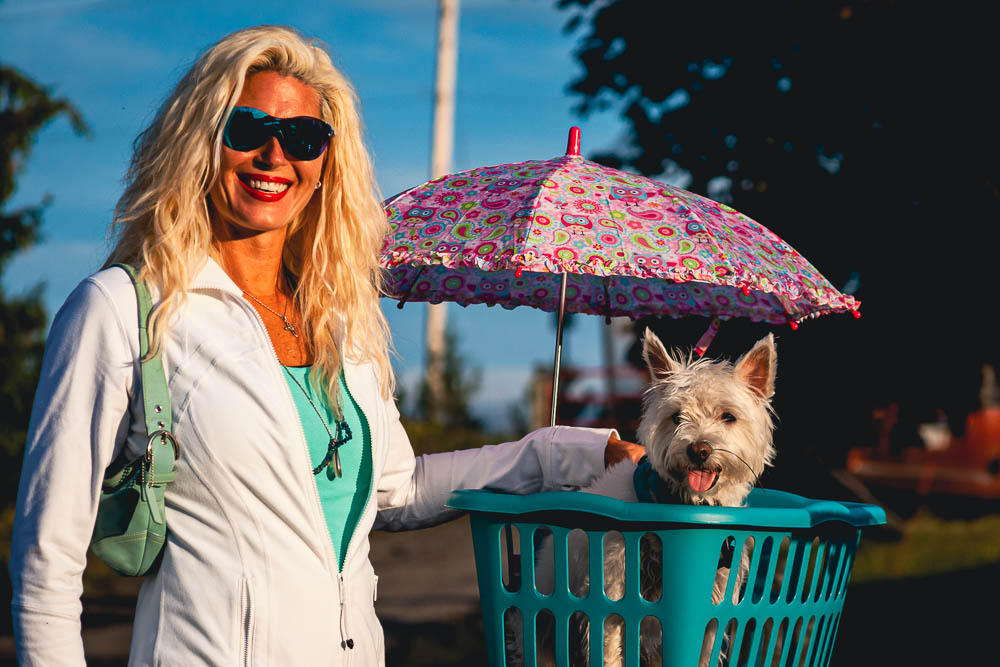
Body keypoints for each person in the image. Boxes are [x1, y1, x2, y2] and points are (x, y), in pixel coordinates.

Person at [9, 25, 643, 666]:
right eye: (247, 129)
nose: (274, 155)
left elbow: (399, 490)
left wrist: (567, 452)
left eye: (304, 138)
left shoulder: (342, 319)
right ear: (201, 141)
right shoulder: (122, 309)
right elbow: (46, 562)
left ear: (326, 163)